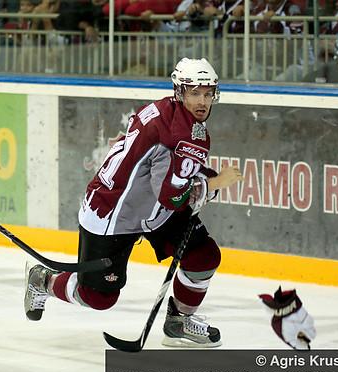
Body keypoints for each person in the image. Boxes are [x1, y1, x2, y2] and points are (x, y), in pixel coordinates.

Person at [24, 58, 243, 348]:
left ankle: (179, 322)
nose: (202, 101)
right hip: (113, 213)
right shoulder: (179, 134)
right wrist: (214, 184)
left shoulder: (164, 109)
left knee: (203, 256)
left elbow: (148, 156)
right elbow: (173, 197)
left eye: (207, 93)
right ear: (179, 92)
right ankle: (44, 281)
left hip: (151, 208)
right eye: (194, 93)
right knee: (99, 298)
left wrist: (199, 177)